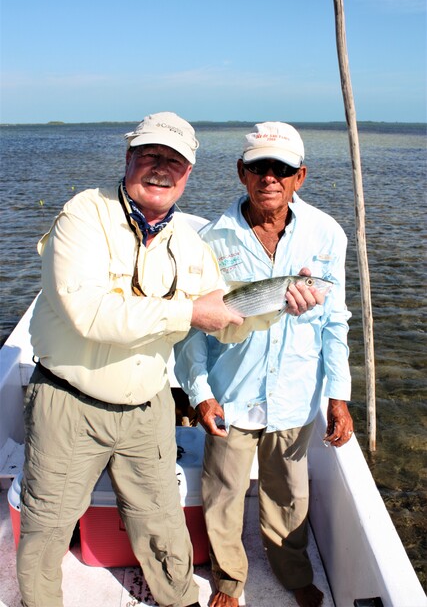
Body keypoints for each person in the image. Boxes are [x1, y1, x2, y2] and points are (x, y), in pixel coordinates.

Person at [17, 111, 253, 607]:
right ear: (128, 158)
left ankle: (180, 600)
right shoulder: (85, 214)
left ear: (188, 173)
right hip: (68, 403)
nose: (160, 168)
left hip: (148, 410)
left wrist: (281, 302)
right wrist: (191, 311)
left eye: (174, 161)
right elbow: (90, 313)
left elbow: (228, 323)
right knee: (47, 527)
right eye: (149, 155)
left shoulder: (190, 243)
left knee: (163, 524)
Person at [174, 121, 354, 607]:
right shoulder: (211, 239)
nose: (269, 177)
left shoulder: (326, 234)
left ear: (301, 176)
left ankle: (293, 572)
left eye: (282, 168)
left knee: (289, 496)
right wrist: (199, 392)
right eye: (258, 167)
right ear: (241, 172)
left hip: (296, 394)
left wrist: (338, 395)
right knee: (223, 494)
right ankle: (230, 580)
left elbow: (335, 320)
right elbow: (193, 329)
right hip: (231, 394)